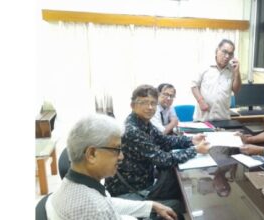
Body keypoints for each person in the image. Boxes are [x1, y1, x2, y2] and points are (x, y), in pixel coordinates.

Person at [105, 85, 210, 219]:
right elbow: (163, 159)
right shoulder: (132, 130)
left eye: (153, 103)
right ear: (132, 105)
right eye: (143, 103)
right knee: (177, 201)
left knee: (177, 182)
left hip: (144, 180)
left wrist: (191, 140)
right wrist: (195, 150)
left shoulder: (143, 123)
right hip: (131, 190)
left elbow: (164, 140)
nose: (149, 107)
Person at [45, 114, 177, 220]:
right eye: (117, 150)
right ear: (92, 154)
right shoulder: (93, 208)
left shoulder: (76, 184)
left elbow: (108, 202)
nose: (121, 157)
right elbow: (103, 207)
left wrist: (151, 206)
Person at [191, 39, 242, 122]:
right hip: (203, 118)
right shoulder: (204, 66)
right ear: (217, 50)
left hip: (223, 118)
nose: (227, 56)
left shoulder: (232, 69)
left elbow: (236, 90)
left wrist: (237, 73)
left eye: (230, 54)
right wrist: (200, 101)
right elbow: (193, 85)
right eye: (224, 52)